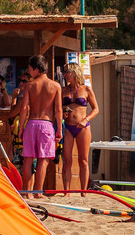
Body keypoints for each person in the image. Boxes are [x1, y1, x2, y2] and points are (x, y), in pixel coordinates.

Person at [17, 55, 61, 193]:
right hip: (46, 124)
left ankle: (27, 192)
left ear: (37, 69)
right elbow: (58, 110)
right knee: (43, 159)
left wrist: (20, 127)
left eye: (30, 69)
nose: (29, 72)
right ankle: (37, 192)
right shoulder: (55, 86)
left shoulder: (30, 86)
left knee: (28, 158)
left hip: (31, 123)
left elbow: (24, 108)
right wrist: (59, 128)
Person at [58, 63, 100, 193]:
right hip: (69, 126)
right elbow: (58, 108)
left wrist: (86, 119)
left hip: (83, 127)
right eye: (64, 73)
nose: (65, 75)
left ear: (75, 72)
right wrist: (63, 112)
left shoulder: (86, 89)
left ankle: (84, 191)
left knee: (83, 160)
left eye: (67, 72)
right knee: (67, 160)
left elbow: (96, 109)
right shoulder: (63, 90)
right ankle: (67, 191)